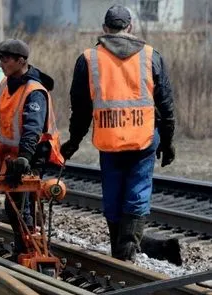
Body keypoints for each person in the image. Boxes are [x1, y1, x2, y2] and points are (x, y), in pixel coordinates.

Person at [61, 5, 175, 262]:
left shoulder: (88, 59)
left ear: (104, 29)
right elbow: (166, 105)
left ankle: (120, 251)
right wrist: (168, 142)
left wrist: (74, 142)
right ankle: (127, 252)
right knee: (137, 191)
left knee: (113, 195)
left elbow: (80, 109)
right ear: (130, 27)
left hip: (110, 140)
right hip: (144, 139)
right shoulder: (151, 56)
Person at [0, 39, 64, 258]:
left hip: (31, 155)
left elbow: (32, 128)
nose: (0, 64)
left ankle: (29, 251)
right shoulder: (6, 84)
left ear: (20, 61)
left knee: (21, 205)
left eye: (4, 59)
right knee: (14, 205)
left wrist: (24, 158)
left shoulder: (34, 91)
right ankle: (24, 249)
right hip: (13, 156)